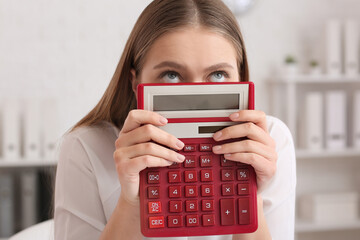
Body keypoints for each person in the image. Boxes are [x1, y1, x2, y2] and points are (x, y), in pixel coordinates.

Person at [54, 0, 296, 239]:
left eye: (218, 75)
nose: (197, 98)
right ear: (135, 82)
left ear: (241, 79)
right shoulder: (84, 148)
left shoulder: (272, 141)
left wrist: (250, 193)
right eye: (171, 75)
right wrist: (131, 202)